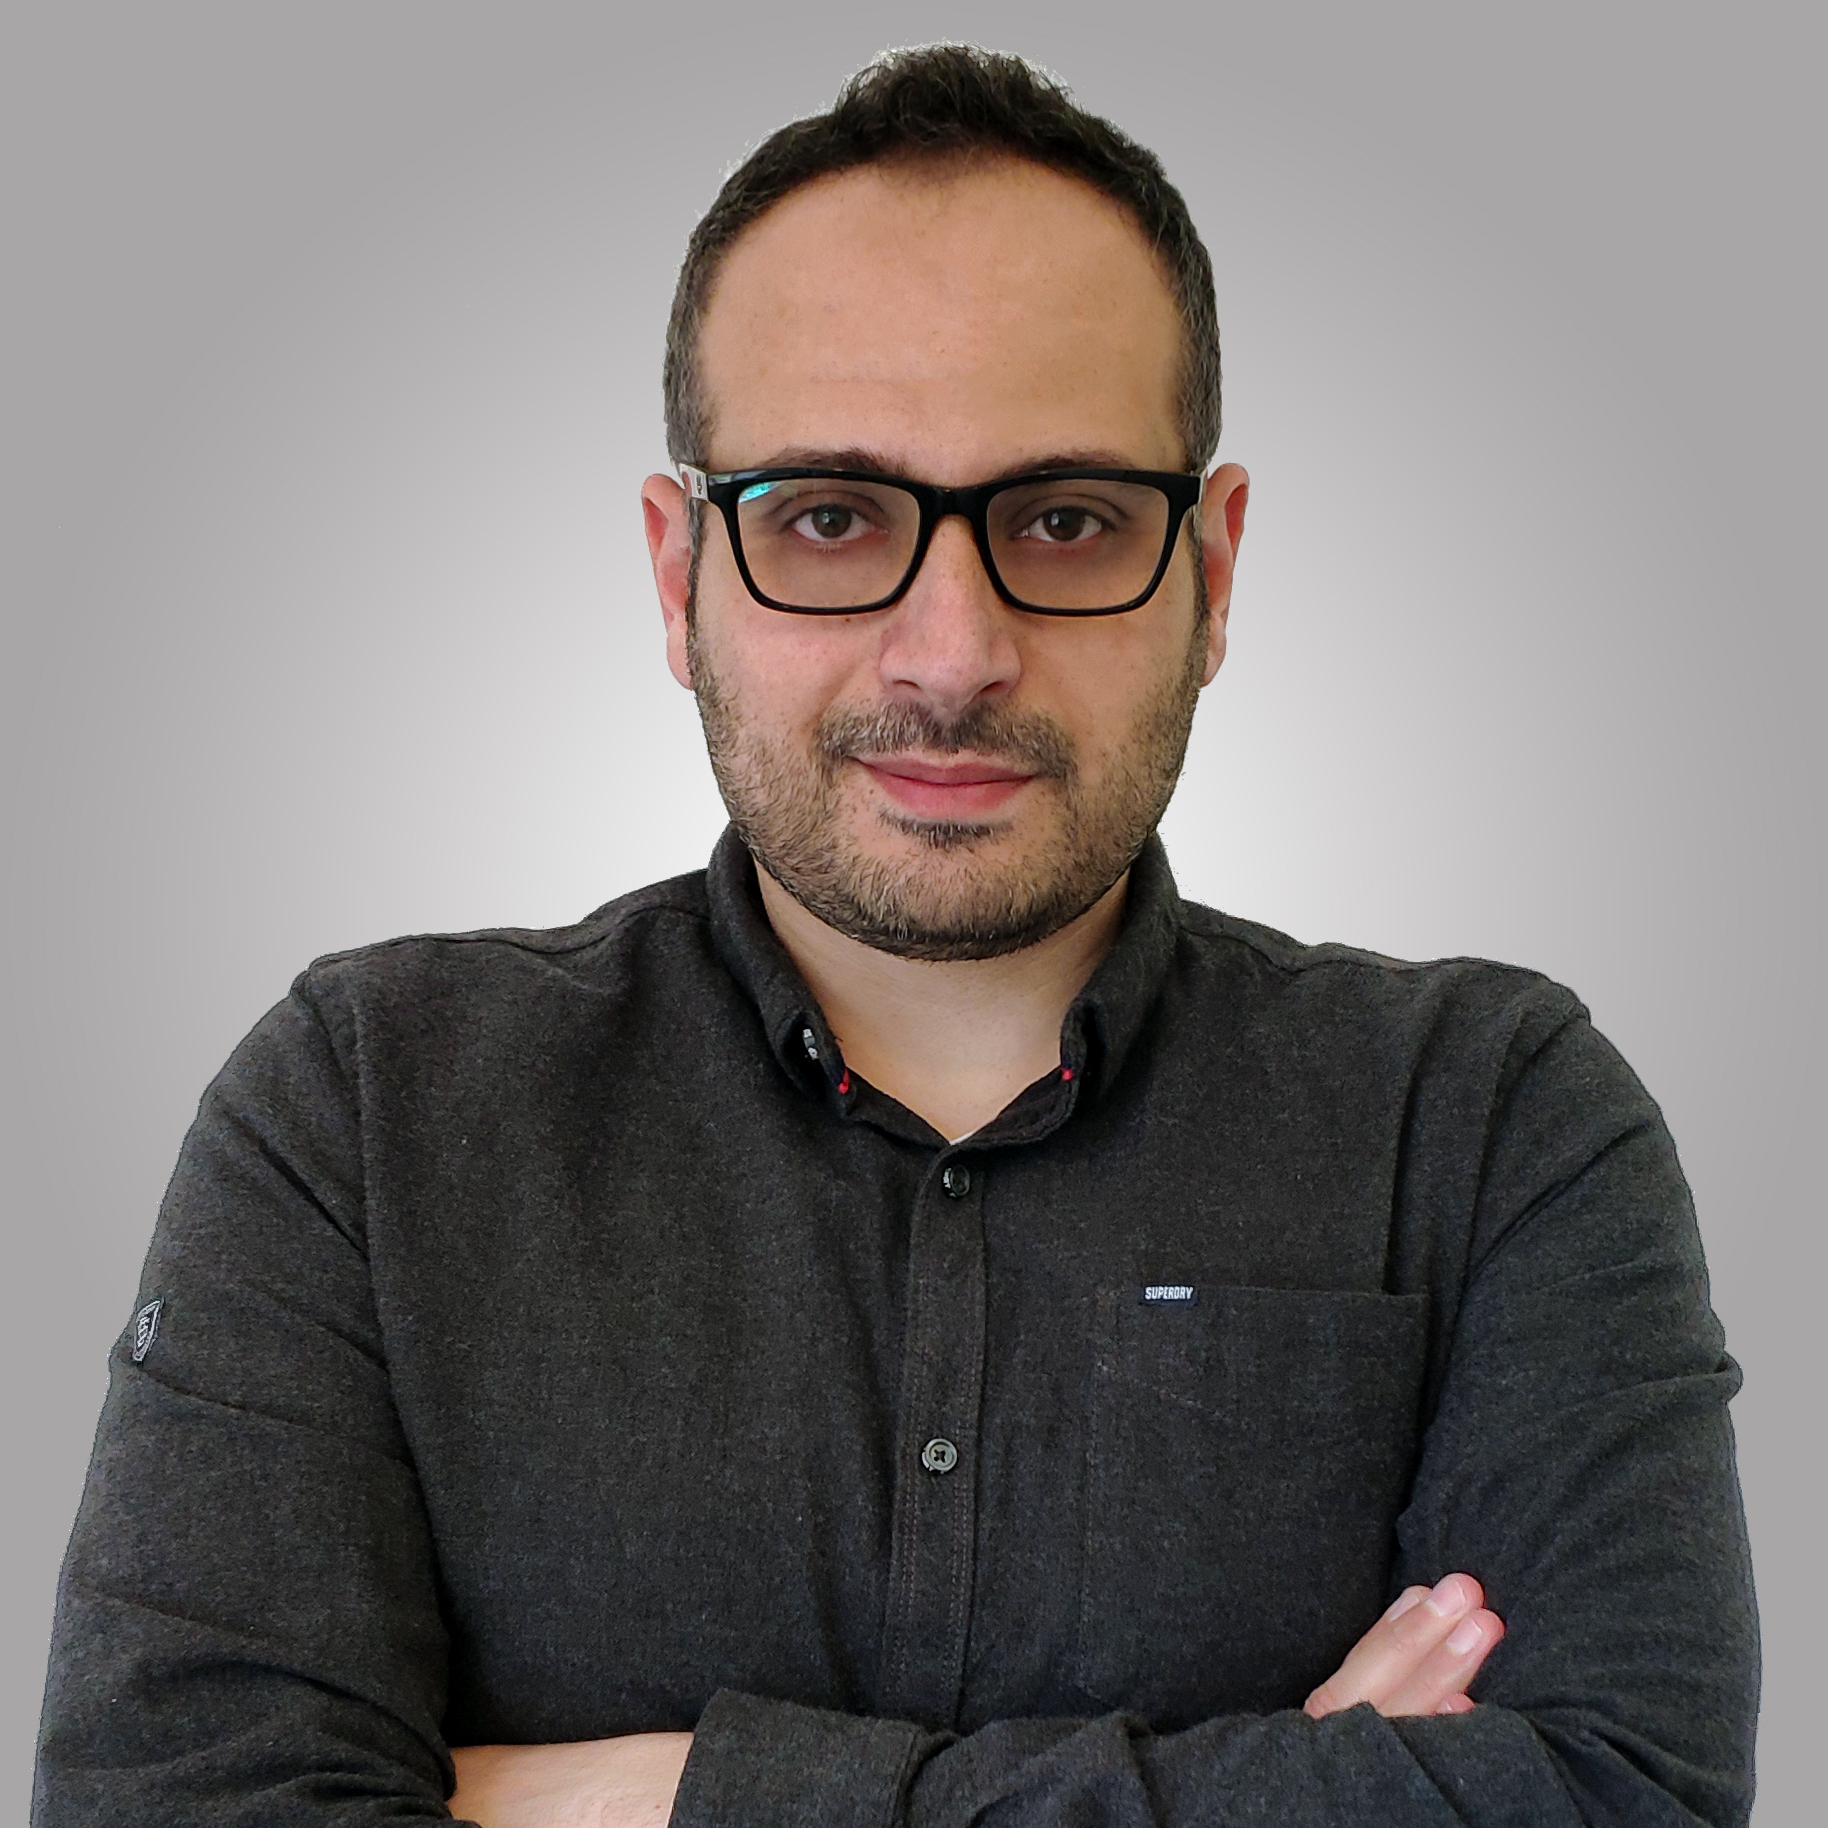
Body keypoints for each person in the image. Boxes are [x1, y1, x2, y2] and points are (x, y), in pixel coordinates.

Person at [33, 44, 1757, 1828]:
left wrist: (657, 1796)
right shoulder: (363, 1111)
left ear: (1214, 569)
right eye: (831, 518)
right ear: (678, 577)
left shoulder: (1494, 1122)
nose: (951, 654)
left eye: (1067, 521)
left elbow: (1621, 1796)